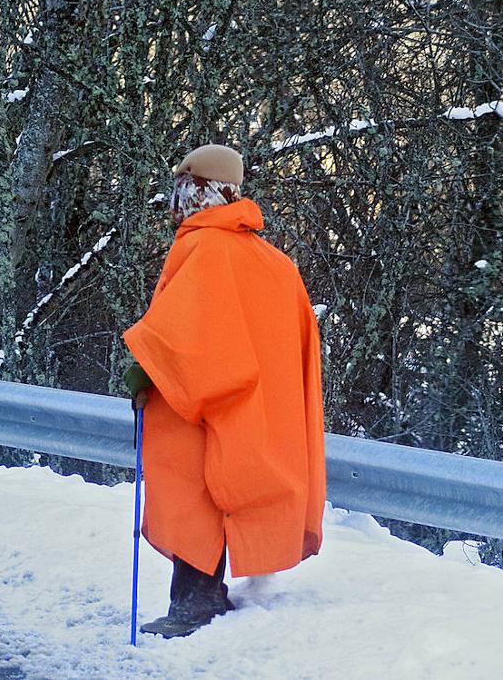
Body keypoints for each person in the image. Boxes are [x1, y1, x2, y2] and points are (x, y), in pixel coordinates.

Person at [122, 144, 326, 638]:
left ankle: (196, 600)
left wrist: (145, 369)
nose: (176, 200)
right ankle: (202, 596)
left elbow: (183, 332)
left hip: (199, 399)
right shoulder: (275, 262)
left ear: (202, 190)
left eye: (184, 188)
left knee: (192, 491)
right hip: (255, 406)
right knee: (223, 491)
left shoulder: (202, 247)